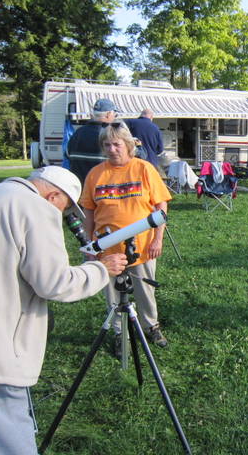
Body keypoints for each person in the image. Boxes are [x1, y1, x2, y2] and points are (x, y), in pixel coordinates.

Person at [0, 166, 128, 455]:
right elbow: (55, 283)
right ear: (53, 196)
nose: (63, 217)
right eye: (65, 209)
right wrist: (100, 269)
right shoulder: (35, 207)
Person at [80, 121, 172, 356]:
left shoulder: (144, 169)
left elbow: (161, 206)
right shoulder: (96, 174)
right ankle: (119, 331)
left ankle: (150, 325)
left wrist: (157, 239)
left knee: (144, 289)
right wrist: (89, 245)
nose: (112, 149)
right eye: (107, 145)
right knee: (112, 293)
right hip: (107, 247)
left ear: (128, 145)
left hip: (141, 245)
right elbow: (89, 211)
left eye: (116, 144)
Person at [66, 98, 120, 185]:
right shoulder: (108, 135)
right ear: (108, 114)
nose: (114, 117)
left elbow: (68, 154)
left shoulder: (78, 133)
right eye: (115, 114)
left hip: (79, 187)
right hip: (102, 188)